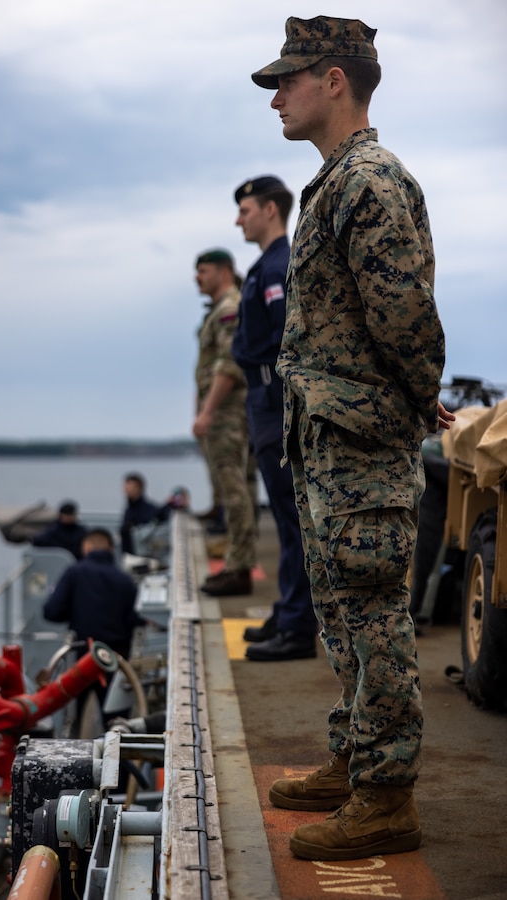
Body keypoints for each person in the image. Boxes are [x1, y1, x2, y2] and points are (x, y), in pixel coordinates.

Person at [250, 15, 454, 861]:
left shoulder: (368, 180)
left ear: (335, 80)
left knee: (372, 612)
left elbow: (405, 315)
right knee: (341, 610)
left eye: (287, 83)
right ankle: (354, 756)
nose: (277, 101)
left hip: (362, 437)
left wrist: (421, 397)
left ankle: (386, 795)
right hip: (331, 438)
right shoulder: (335, 183)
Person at [232, 175, 319, 661]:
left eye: (245, 209)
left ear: (269, 210)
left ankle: (297, 627)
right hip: (262, 400)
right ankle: (288, 609)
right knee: (287, 522)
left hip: (275, 397)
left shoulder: (279, 266)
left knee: (292, 520)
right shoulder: (265, 266)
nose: (238, 218)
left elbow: (287, 337)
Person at [193, 248, 257, 596]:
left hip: (228, 412)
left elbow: (229, 365)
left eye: (203, 271)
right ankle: (238, 562)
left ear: (223, 272)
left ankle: (239, 567)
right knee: (236, 488)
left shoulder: (229, 308)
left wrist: (207, 411)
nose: (197, 278)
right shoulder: (221, 309)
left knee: (235, 491)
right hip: (225, 411)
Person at [43, 528, 145, 724]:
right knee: (115, 722)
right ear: (111, 549)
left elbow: (51, 611)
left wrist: (75, 612)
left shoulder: (75, 573)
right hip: (117, 660)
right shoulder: (125, 580)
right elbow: (135, 619)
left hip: (84, 657)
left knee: (74, 718)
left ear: (86, 547)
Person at [119, 473, 170, 555]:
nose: (126, 490)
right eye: (125, 487)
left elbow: (159, 518)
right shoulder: (129, 510)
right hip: (129, 555)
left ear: (139, 488)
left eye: (129, 487)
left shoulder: (148, 510)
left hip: (144, 555)